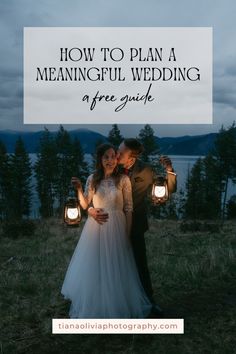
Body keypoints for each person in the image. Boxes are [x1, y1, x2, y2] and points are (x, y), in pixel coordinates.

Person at [61, 143, 152, 318]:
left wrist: (126, 234)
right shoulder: (92, 178)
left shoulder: (123, 180)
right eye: (106, 157)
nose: (110, 160)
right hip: (97, 228)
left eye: (113, 156)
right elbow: (86, 204)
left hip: (117, 226)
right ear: (100, 160)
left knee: (117, 265)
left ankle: (117, 302)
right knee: (97, 264)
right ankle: (97, 301)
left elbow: (128, 208)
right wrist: (80, 191)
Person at [88, 138, 177, 317]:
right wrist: (90, 210)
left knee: (139, 264)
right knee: (106, 264)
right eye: (116, 151)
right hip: (107, 225)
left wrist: (169, 171)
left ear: (131, 157)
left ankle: (149, 301)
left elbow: (168, 189)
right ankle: (104, 301)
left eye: (121, 152)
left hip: (134, 225)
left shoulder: (146, 170)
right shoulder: (111, 165)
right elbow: (94, 192)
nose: (116, 154)